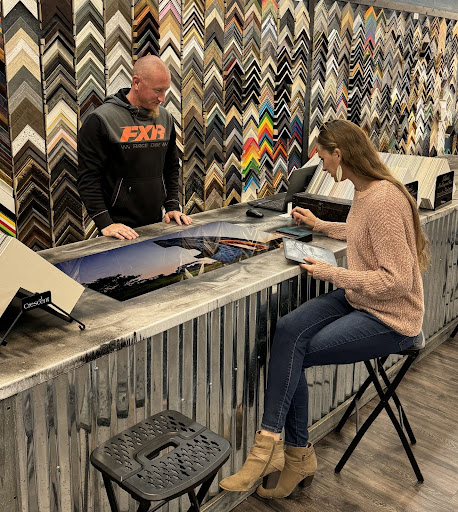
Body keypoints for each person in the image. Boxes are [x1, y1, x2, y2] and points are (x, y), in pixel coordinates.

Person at [219, 119, 430, 498]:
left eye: (322, 156)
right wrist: (320, 224)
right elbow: (361, 232)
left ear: (340, 154)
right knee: (287, 331)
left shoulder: (383, 199)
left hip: (392, 318)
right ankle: (290, 453)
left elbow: (397, 280)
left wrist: (333, 273)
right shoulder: (366, 191)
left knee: (293, 354)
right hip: (361, 298)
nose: (321, 164)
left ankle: (273, 450)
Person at [77, 55, 191, 240]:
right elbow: (88, 178)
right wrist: (105, 223)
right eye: (157, 90)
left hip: (156, 223)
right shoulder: (101, 120)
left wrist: (172, 206)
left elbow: (171, 167)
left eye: (165, 91)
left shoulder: (165, 118)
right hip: (118, 229)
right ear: (136, 83)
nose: (162, 98)